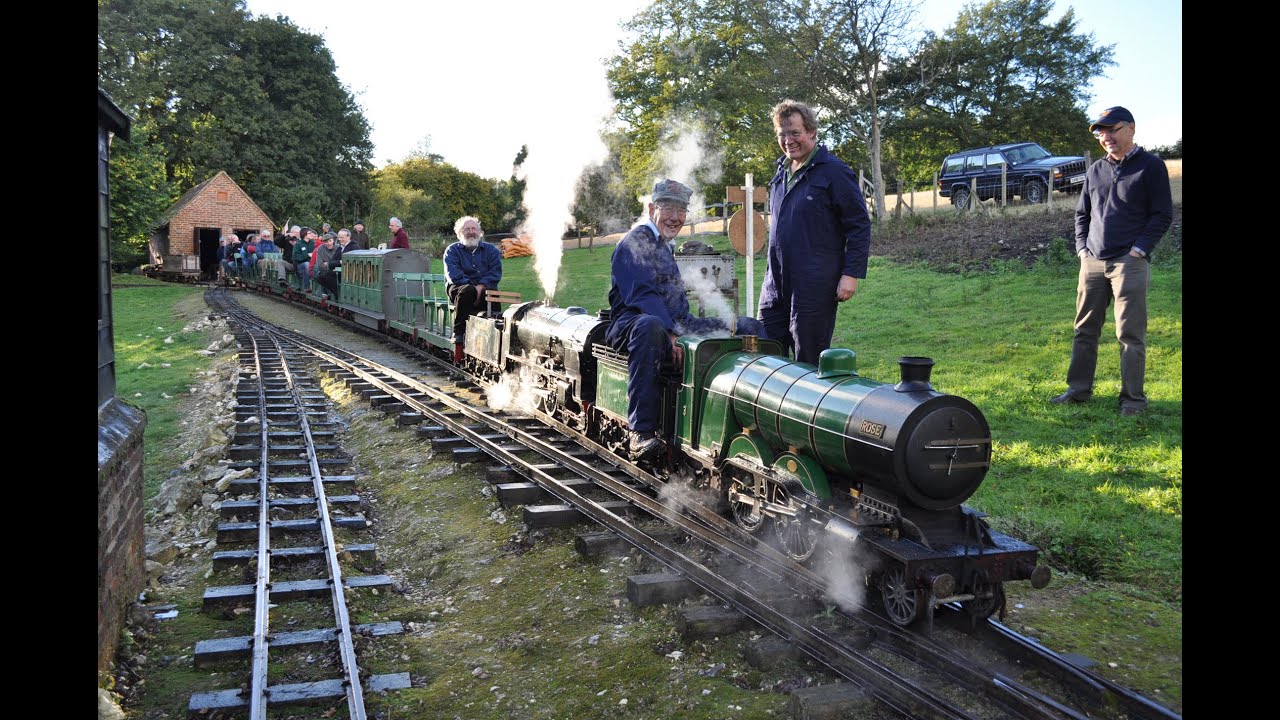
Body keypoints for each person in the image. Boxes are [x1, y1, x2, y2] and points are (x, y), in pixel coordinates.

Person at [606, 179, 766, 460]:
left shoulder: (664, 244)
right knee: (650, 326)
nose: (676, 217)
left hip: (680, 323)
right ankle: (640, 433)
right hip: (633, 324)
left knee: (749, 327)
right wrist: (671, 334)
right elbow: (644, 298)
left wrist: (708, 325)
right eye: (668, 209)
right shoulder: (634, 243)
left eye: (682, 211)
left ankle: (759, 417)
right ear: (651, 207)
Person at [1051, 106, 1173, 417]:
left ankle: (1132, 400)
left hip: (1128, 262)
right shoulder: (1095, 170)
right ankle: (1078, 391)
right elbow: (1082, 214)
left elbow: (1162, 215)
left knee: (1129, 333)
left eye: (1112, 129)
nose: (1106, 137)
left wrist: (1139, 250)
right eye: (1100, 132)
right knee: (1084, 329)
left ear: (1131, 129)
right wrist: (1082, 249)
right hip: (1092, 261)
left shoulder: (1151, 167)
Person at [759, 99, 871, 365]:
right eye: (782, 134)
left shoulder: (834, 172)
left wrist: (851, 274)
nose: (788, 140)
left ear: (811, 132)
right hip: (775, 282)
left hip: (814, 283)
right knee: (766, 352)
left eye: (794, 133)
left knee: (807, 356)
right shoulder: (780, 173)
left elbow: (859, 225)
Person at [443, 216, 503, 362]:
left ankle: (496, 337)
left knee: (493, 295)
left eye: (474, 228)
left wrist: (481, 286)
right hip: (459, 288)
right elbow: (454, 275)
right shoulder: (452, 250)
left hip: (485, 287)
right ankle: (459, 334)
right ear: (459, 233)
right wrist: (472, 287)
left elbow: (495, 273)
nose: (471, 232)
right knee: (467, 291)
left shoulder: (492, 251)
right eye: (467, 229)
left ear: (480, 232)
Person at [312, 232, 340, 297]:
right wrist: (332, 264)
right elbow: (320, 265)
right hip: (325, 270)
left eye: (330, 241)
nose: (329, 243)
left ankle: (337, 294)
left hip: (337, 270)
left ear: (333, 240)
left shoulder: (338, 248)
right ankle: (328, 294)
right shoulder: (320, 249)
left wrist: (328, 263)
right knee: (321, 276)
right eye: (326, 242)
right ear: (323, 243)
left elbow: (340, 262)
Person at [292, 227, 316, 291]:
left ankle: (320, 291)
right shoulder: (298, 244)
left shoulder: (313, 243)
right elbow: (295, 257)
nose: (311, 234)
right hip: (300, 266)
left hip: (312, 265)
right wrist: (307, 255)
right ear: (305, 234)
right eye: (310, 233)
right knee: (306, 264)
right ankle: (307, 287)